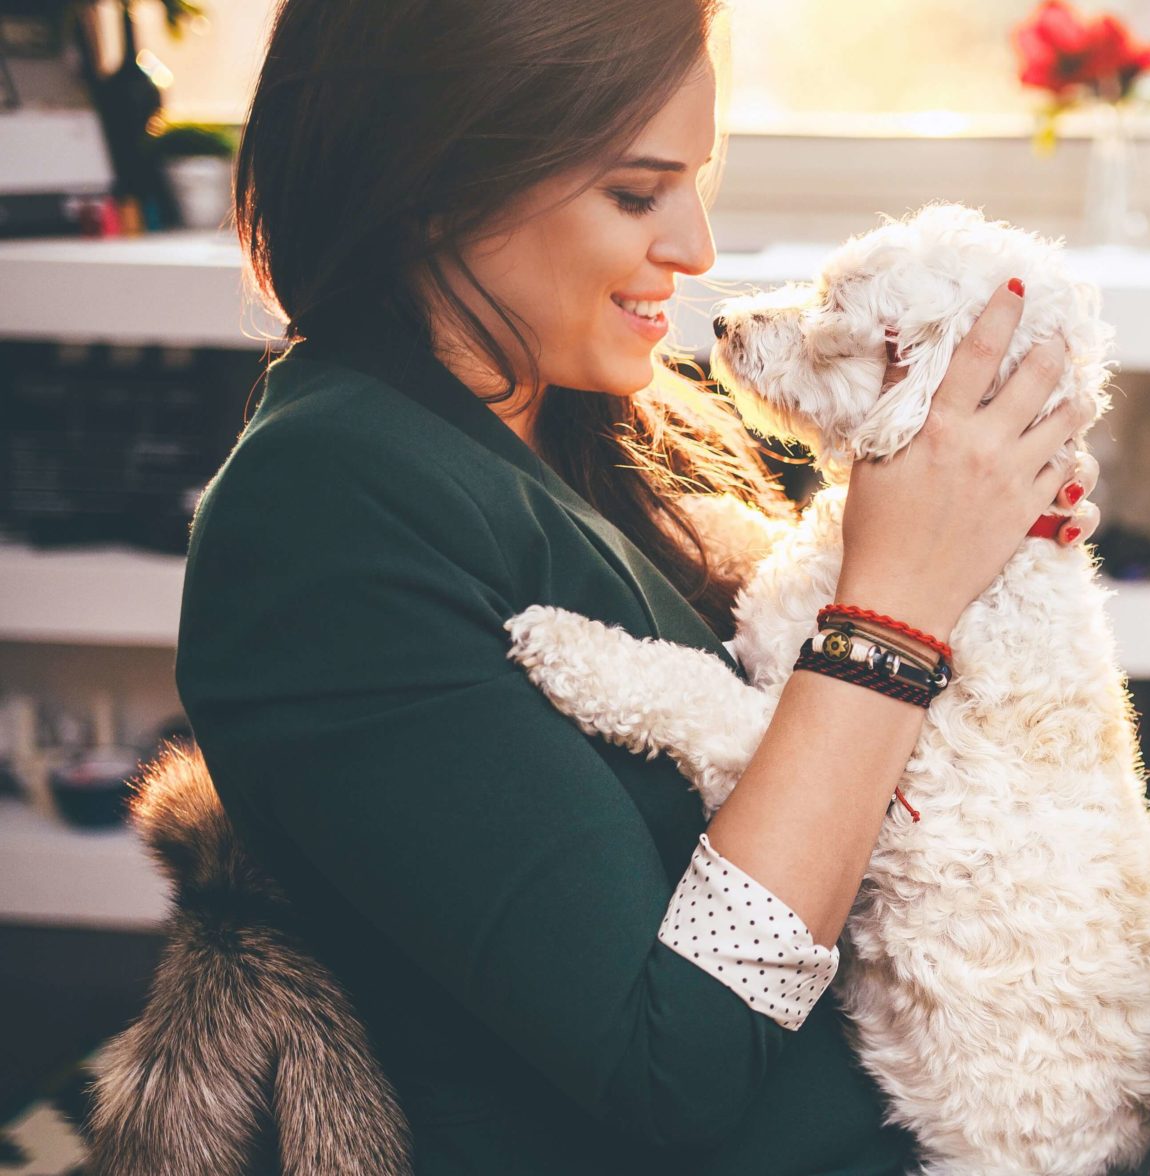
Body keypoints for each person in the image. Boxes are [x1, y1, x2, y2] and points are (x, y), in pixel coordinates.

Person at [171, 1, 1092, 1171]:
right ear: (438, 184)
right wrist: (891, 619)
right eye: (635, 193)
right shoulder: (324, 511)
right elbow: (674, 1070)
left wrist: (987, 543)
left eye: (694, 181)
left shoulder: (575, 419)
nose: (697, 248)